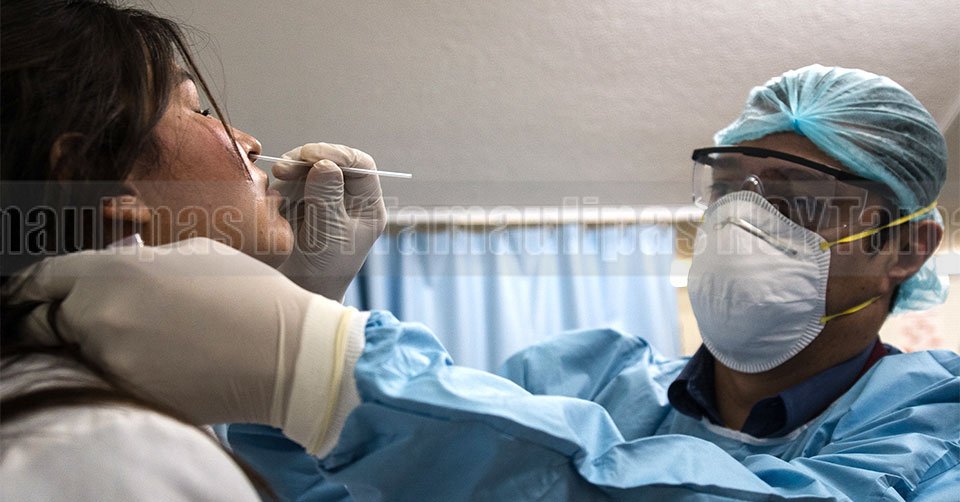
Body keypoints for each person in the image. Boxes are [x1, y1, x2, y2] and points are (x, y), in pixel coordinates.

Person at [10, 63, 958, 500]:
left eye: (794, 200)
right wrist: (304, 326)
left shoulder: (935, 437)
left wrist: (329, 366)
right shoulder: (583, 380)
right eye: (729, 192)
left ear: (908, 248)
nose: (744, 225)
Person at [1, 1, 384, 499]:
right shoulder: (110, 449)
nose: (251, 142)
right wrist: (326, 362)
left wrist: (308, 306)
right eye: (198, 109)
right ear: (92, 172)